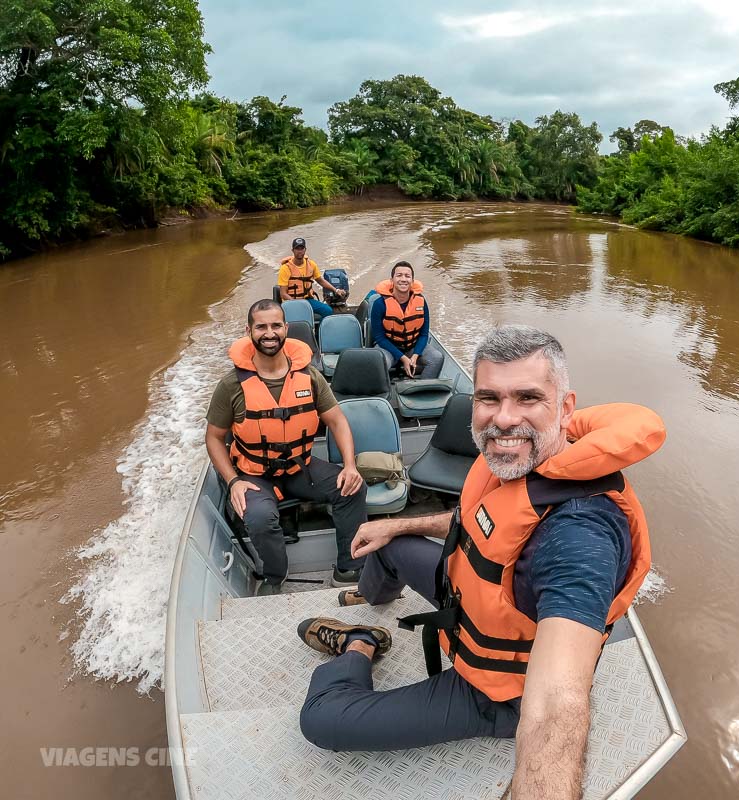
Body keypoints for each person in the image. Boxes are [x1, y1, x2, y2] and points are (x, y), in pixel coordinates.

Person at [296, 326, 665, 798]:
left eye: (528, 398)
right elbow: (476, 520)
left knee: (323, 720)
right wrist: (397, 525)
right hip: (469, 600)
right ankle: (369, 595)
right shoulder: (524, 466)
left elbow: (556, 704)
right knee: (388, 544)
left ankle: (361, 643)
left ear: (566, 408)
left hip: (493, 692)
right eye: (489, 398)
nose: (504, 419)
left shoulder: (579, 534)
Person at [205, 299, 367, 595]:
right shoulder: (231, 386)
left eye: (276, 325)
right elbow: (214, 438)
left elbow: (338, 421)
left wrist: (350, 466)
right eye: (261, 326)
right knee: (258, 517)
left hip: (299, 467)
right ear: (249, 331)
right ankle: (275, 576)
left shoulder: (310, 376)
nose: (270, 333)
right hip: (253, 474)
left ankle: (349, 568)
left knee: (353, 488)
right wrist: (234, 482)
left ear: (286, 329)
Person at [371, 261, 444, 378]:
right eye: (399, 275)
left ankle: (423, 389)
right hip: (388, 347)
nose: (403, 279)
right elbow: (379, 337)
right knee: (380, 362)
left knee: (436, 358)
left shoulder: (421, 301)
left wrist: (415, 356)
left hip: (413, 346)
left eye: (407, 276)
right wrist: (403, 358)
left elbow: (424, 334)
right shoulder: (379, 304)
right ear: (391, 280)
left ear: (412, 281)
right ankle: (386, 393)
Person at [278, 237, 345, 319]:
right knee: (299, 317)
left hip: (307, 300)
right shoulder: (285, 268)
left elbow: (320, 281)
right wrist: (296, 304)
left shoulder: (311, 264)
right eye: (297, 248)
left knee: (327, 311)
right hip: (291, 302)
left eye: (301, 248)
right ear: (293, 250)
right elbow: (283, 293)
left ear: (305, 249)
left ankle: (320, 330)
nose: (300, 251)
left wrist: (336, 290)